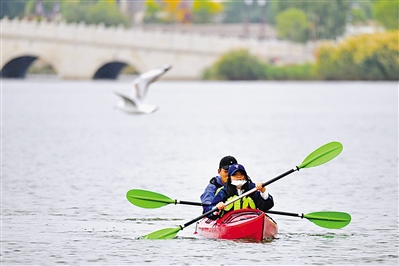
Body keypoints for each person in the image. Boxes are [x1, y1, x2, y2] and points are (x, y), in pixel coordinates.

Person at [204, 163, 274, 220]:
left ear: (245, 176)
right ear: (230, 178)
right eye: (235, 175)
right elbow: (209, 212)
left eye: (241, 174)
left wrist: (263, 191)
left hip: (250, 219)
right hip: (229, 221)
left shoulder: (252, 189)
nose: (239, 177)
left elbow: (266, 207)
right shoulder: (224, 191)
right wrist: (216, 208)